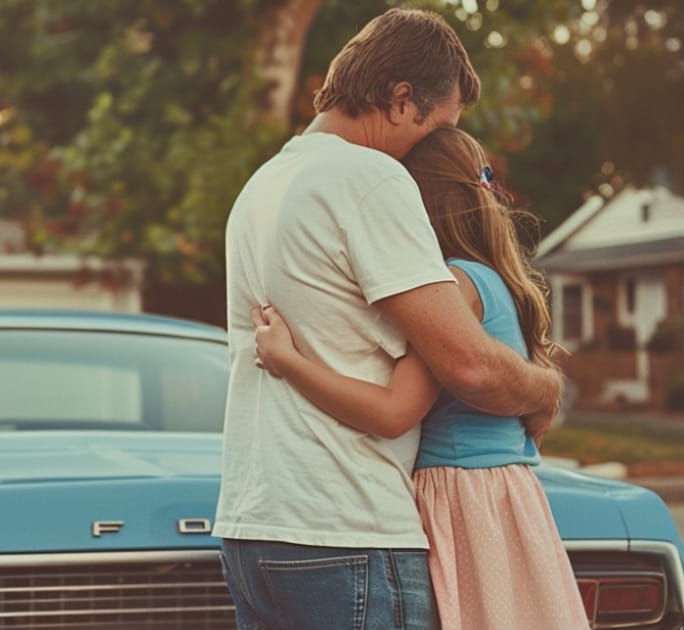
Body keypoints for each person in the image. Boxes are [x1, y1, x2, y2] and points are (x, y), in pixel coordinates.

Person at [213, 8, 565, 630]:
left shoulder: (263, 184)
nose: (426, 150)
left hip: (254, 525)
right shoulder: (370, 176)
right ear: (402, 99)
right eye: (437, 126)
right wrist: (546, 387)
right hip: (347, 528)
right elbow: (470, 367)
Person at [252, 126, 589, 630]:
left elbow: (393, 411)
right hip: (504, 493)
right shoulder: (492, 278)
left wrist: (288, 360)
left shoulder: (449, 284)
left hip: (460, 495)